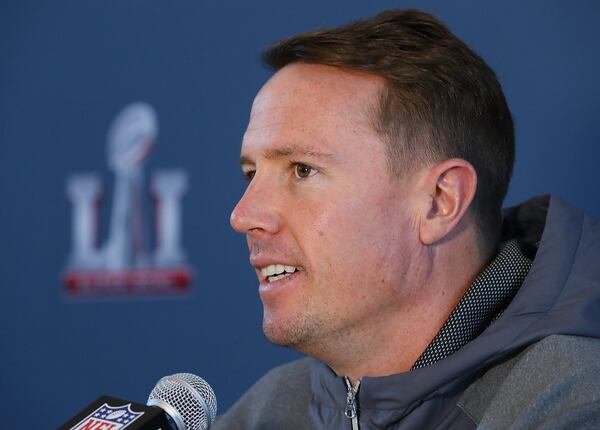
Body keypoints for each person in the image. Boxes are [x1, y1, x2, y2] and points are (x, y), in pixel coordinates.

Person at [217, 9, 600, 429]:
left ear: (440, 201)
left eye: (302, 170)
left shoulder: (573, 407)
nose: (243, 216)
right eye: (252, 174)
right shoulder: (268, 411)